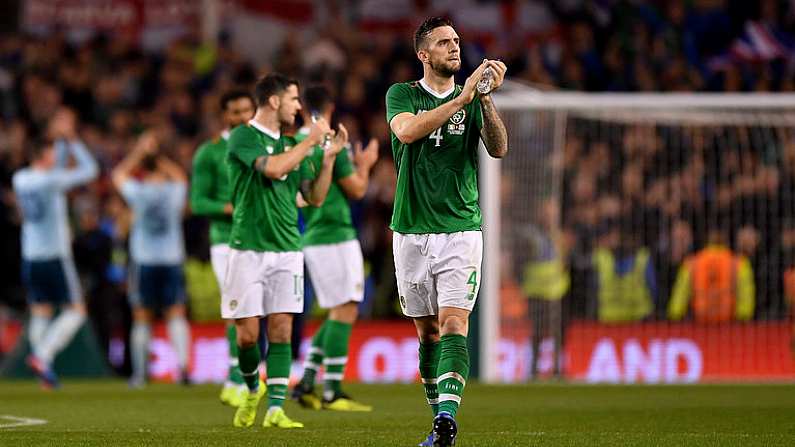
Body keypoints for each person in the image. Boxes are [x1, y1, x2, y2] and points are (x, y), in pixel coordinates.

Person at [385, 16, 508, 447]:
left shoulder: (471, 99)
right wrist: (463, 99)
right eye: (443, 43)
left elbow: (498, 148)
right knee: (427, 332)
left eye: (456, 40)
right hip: (411, 230)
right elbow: (407, 130)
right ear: (424, 54)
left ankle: (446, 421)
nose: (454, 47)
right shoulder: (402, 95)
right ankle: (438, 414)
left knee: (454, 323)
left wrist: (485, 101)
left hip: (460, 227)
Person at [223, 73, 347, 429]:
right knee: (247, 336)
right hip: (247, 249)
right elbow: (274, 168)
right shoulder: (243, 137)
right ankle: (251, 388)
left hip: (287, 250)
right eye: (294, 100)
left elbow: (315, 197)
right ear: (274, 101)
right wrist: (310, 142)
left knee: (281, 330)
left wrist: (327, 160)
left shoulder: (292, 144)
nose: (299, 107)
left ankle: (276, 409)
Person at [290, 85, 379, 412]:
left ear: (301, 109)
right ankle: (333, 391)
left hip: (311, 235)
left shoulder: (295, 145)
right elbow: (356, 190)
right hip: (337, 236)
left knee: (336, 311)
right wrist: (365, 164)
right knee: (347, 308)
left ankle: (308, 381)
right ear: (330, 108)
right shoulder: (330, 142)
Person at [13, 108, 98, 388]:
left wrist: (58, 139)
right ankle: (42, 355)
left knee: (41, 311)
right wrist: (71, 139)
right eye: (51, 153)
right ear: (43, 156)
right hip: (55, 255)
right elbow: (90, 171)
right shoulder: (51, 181)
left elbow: (56, 167)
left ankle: (43, 371)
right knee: (76, 310)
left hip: (30, 255)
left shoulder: (21, 178)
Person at [190, 89, 255, 406]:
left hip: (262, 239)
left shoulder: (263, 147)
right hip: (225, 241)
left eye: (247, 110)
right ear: (224, 117)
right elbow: (197, 202)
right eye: (235, 112)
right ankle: (234, 380)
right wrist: (231, 208)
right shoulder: (208, 153)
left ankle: (247, 374)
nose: (242, 117)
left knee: (258, 310)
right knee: (236, 309)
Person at [112, 131, 191, 387]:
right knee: (175, 313)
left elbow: (118, 175)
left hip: (144, 260)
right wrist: (159, 157)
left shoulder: (140, 192)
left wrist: (140, 152)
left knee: (141, 317)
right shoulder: (173, 191)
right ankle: (182, 370)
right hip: (171, 260)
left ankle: (140, 375)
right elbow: (180, 176)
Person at [668, 226, 755, 323]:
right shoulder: (739, 263)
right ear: (726, 241)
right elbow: (746, 295)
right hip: (729, 325)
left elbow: (680, 296)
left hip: (699, 324)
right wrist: (743, 319)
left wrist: (675, 316)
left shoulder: (692, 263)